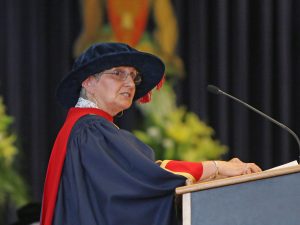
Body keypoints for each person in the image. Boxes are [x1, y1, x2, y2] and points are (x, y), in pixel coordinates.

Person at [40, 43, 261, 225]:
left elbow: (138, 180)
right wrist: (216, 167)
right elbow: (144, 182)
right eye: (118, 73)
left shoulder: (87, 128)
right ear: (89, 81)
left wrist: (211, 177)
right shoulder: (91, 130)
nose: (129, 83)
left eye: (133, 76)